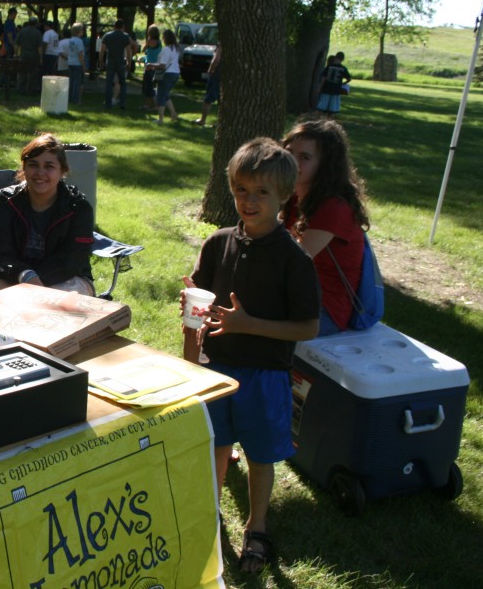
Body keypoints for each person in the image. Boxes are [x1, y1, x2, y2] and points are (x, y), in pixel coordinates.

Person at [181, 138, 320, 574]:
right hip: (216, 369)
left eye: (261, 192)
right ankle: (212, 515)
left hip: (264, 376)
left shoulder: (293, 260)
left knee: (260, 457)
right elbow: (199, 308)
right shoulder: (218, 242)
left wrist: (250, 324)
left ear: (285, 196)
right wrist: (190, 341)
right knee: (216, 446)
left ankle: (256, 527)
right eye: (241, 189)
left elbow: (307, 327)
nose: (249, 200)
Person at [281, 119, 370, 336]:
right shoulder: (295, 196)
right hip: (294, 295)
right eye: (289, 152)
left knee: (243, 321)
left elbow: (292, 262)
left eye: (305, 157)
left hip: (324, 310)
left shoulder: (334, 207)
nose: (293, 162)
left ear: (326, 165)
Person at [0, 133, 95, 297]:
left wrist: (37, 281)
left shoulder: (78, 208)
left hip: (67, 278)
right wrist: (26, 274)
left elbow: (73, 259)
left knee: (58, 301)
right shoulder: (7, 201)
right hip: (15, 276)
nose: (40, 172)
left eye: (49, 166)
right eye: (33, 165)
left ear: (62, 170)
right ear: (24, 168)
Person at [148, 29, 181, 125]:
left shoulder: (166, 49)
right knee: (165, 94)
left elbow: (162, 65)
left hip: (167, 74)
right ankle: (173, 113)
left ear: (165, 38)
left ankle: (160, 119)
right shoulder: (176, 48)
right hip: (175, 73)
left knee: (160, 96)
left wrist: (151, 65)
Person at [99, 19, 132, 109]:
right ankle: (122, 103)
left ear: (114, 26)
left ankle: (108, 103)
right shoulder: (125, 37)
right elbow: (129, 51)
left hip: (110, 61)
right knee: (122, 82)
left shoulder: (107, 36)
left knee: (109, 83)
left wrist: (101, 61)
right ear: (122, 27)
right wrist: (129, 62)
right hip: (120, 62)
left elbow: (102, 50)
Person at [194, 41, 221, 126]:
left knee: (209, 98)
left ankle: (203, 120)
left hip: (217, 73)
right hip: (227, 74)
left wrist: (210, 69)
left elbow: (216, 59)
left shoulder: (221, 44)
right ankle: (220, 122)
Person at [315, 53, 351, 117]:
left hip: (326, 89)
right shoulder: (343, 68)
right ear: (342, 59)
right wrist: (343, 83)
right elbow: (349, 78)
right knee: (332, 109)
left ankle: (317, 119)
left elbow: (324, 78)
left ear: (335, 57)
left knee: (321, 107)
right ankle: (329, 121)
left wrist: (319, 87)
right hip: (336, 90)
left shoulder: (329, 66)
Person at [15, 17, 43, 95]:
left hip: (23, 55)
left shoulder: (22, 32)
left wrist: (16, 54)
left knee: (22, 74)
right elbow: (40, 47)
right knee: (33, 75)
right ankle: (31, 91)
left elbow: (16, 44)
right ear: (36, 23)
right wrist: (41, 58)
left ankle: (21, 90)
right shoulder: (38, 33)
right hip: (34, 56)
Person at [62, 22, 86, 104]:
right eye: (82, 30)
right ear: (79, 31)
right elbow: (80, 54)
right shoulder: (79, 41)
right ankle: (75, 99)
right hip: (77, 63)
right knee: (77, 82)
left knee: (71, 81)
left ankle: (69, 98)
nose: (83, 31)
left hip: (70, 62)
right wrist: (83, 65)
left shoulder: (71, 40)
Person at [141, 25, 162, 110]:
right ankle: (147, 104)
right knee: (150, 87)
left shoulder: (150, 41)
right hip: (156, 65)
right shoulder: (159, 42)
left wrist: (146, 43)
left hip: (149, 66)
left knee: (149, 87)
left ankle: (155, 105)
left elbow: (143, 50)